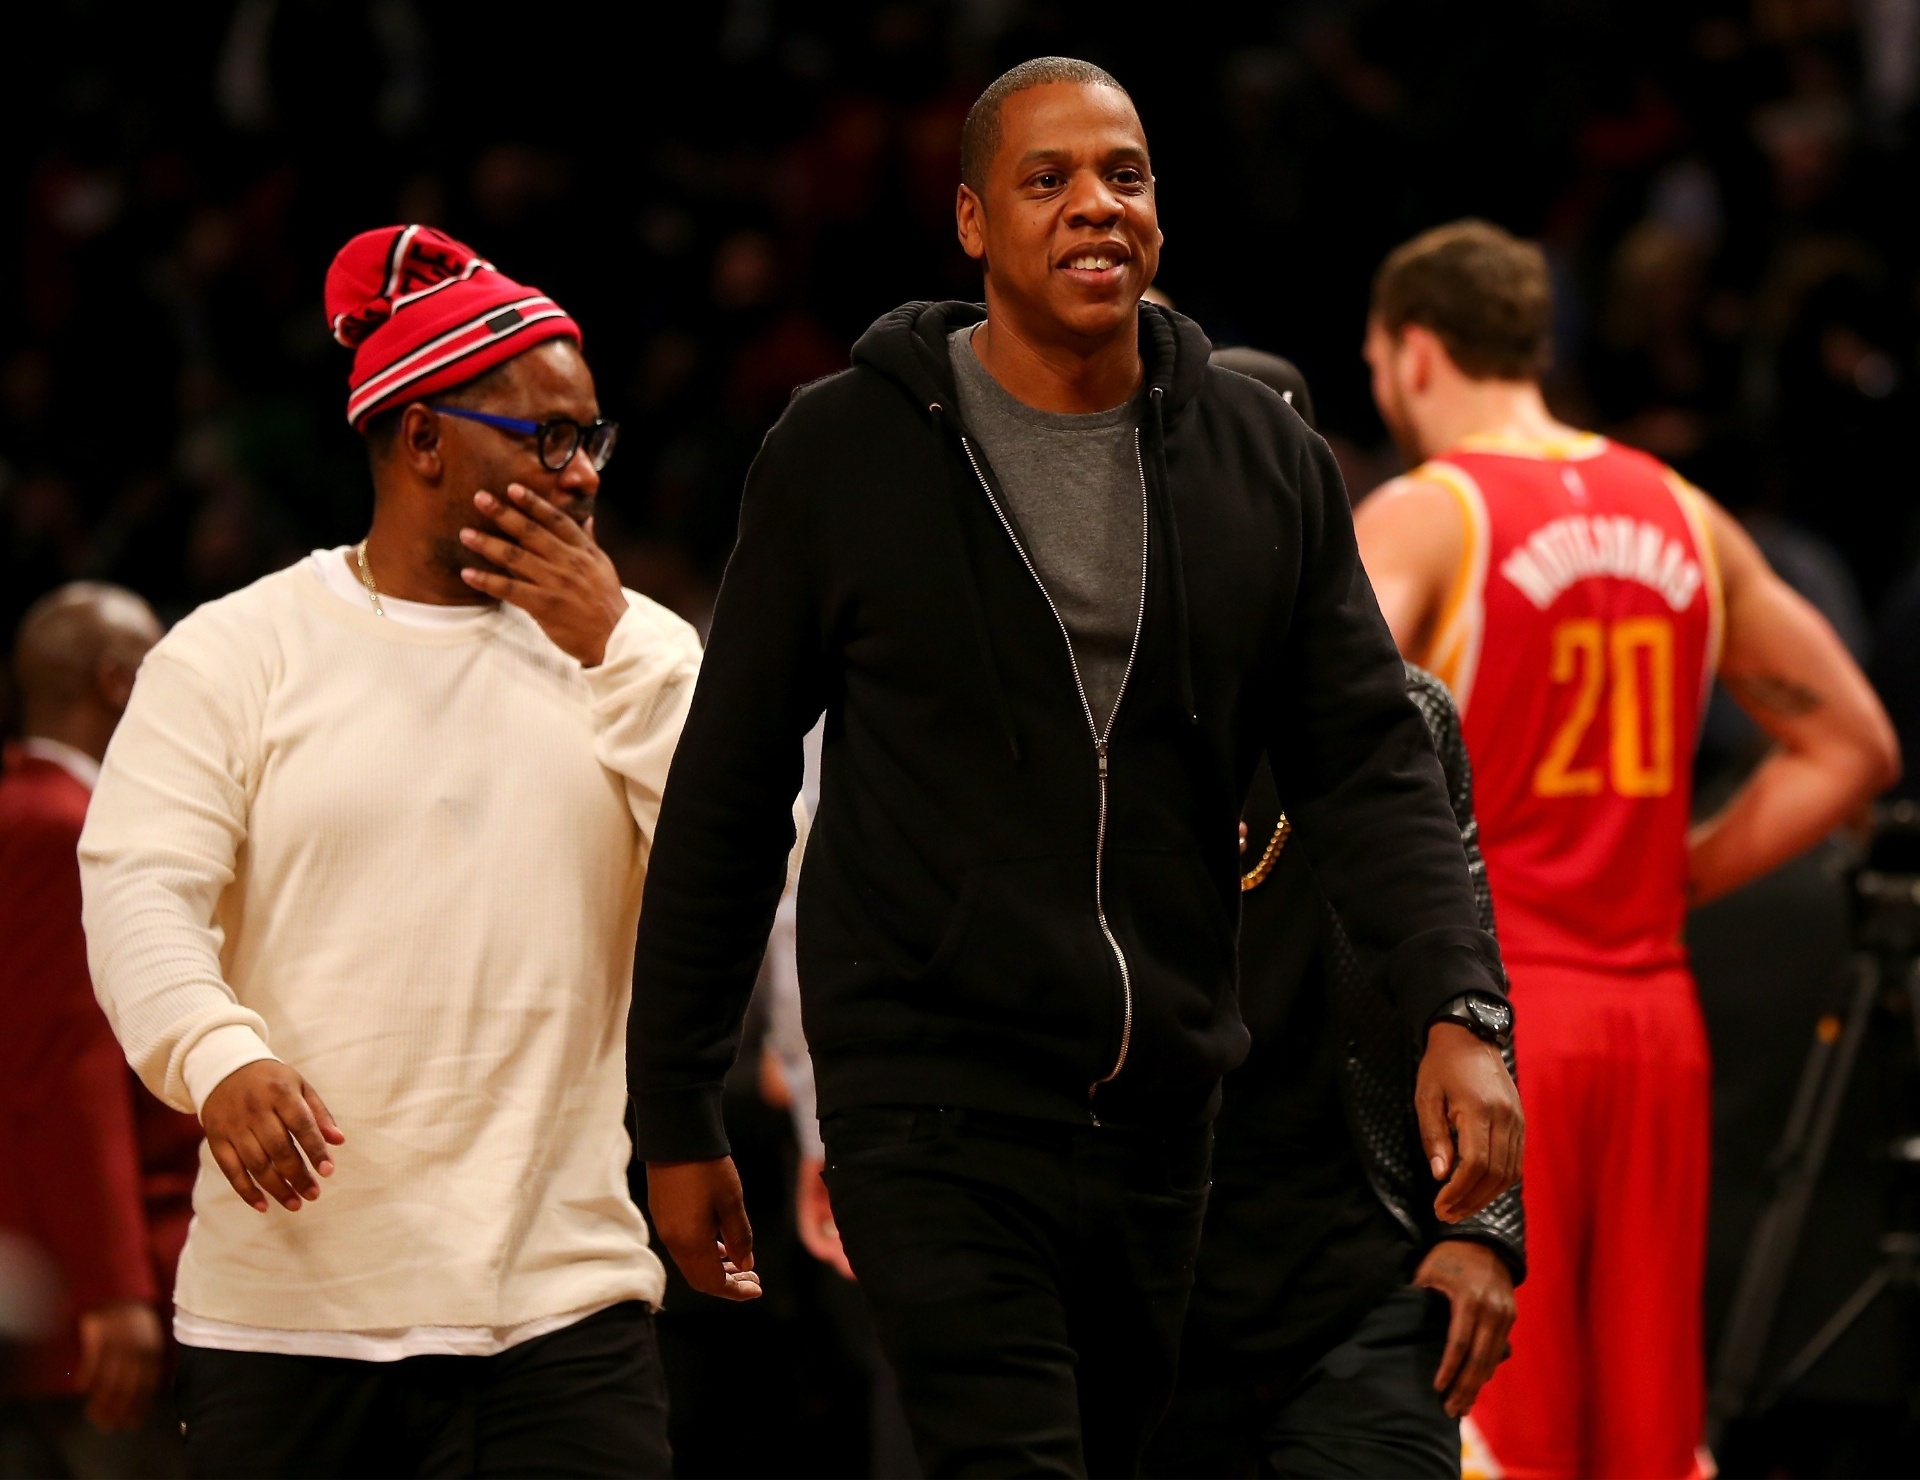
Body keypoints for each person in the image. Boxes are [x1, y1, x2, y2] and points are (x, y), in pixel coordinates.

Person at [629, 58, 1522, 1478]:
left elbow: (1369, 755)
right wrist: (675, 1110)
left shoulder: (1261, 458)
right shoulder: (843, 451)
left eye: (1125, 174)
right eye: (1049, 180)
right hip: (929, 1094)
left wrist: (1460, 1013)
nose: (1096, 205)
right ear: (976, 223)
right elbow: (732, 793)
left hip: (1163, 1106)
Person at [80, 225, 698, 1479]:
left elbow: (752, 878)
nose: (583, 475)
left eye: (593, 438)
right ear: (421, 435)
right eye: (549, 436)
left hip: (562, 1311)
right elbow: (139, 886)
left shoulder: (638, 658)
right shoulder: (233, 652)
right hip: (286, 1323)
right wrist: (218, 1053)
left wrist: (621, 641)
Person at [1353, 219, 1898, 1480]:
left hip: (1495, 1032)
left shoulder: (1430, 514)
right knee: (1642, 1442)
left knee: (1499, 1432)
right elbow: (1854, 744)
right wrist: (1683, 870)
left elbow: (1310, 737)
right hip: (1655, 1019)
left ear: (1414, 352)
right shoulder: (1684, 511)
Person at [1144, 351, 1521, 1478]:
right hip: (1147, 1294)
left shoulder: (1400, 718)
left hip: (1365, 1289)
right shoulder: (1098, 709)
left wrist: (1478, 1236)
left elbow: (1469, 981)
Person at [0, 583, 200, 1478]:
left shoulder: (24, 809)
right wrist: (116, 1286)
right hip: (79, 1286)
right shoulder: (64, 829)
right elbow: (66, 1069)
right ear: (121, 682)